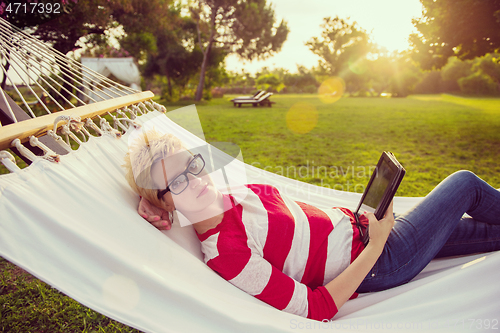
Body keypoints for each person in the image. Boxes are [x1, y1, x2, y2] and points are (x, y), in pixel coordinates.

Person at [123, 130, 500, 322]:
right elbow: (315, 308)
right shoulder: (228, 254)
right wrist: (375, 245)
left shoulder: (229, 193)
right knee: (464, 184)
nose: (197, 179)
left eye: (192, 164)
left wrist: (155, 197)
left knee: (487, 233)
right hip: (380, 259)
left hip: (364, 229)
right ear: (164, 198)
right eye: (176, 182)